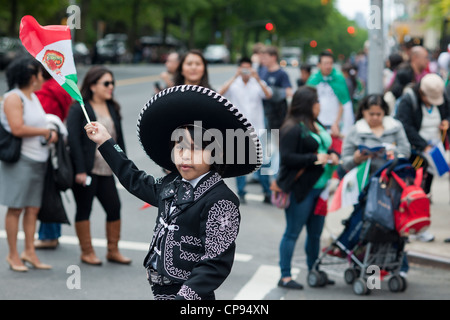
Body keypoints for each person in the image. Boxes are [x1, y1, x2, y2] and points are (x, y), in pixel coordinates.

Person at [83, 85, 262, 300]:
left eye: (195, 149)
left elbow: (214, 264)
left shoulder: (221, 201)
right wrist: (105, 142)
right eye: (179, 147)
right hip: (160, 291)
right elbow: (135, 180)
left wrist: (184, 298)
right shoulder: (173, 183)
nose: (185, 156)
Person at [66, 65, 131, 265]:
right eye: (106, 83)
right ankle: (87, 252)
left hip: (106, 169)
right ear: (93, 86)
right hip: (87, 169)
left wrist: (124, 164)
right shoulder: (79, 108)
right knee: (84, 209)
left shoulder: (113, 107)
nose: (111, 86)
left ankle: (113, 250)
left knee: (114, 208)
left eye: (112, 83)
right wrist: (80, 170)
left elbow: (117, 139)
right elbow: (74, 142)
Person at [277, 86, 340, 289]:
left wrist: (331, 154)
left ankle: (314, 270)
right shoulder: (292, 127)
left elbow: (324, 144)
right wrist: (313, 158)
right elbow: (286, 158)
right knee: (292, 232)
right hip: (300, 189)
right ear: (307, 105)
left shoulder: (315, 123)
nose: (320, 105)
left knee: (315, 233)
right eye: (316, 102)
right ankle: (285, 276)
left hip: (320, 188)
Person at [0, 56, 58, 272]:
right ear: (31, 76)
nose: (42, 76)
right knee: (15, 209)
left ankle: (29, 252)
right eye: (39, 72)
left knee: (33, 209)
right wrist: (45, 131)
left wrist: (51, 133)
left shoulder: (32, 97)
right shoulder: (14, 98)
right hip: (20, 161)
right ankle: (13, 255)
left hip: (38, 160)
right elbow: (17, 128)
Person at [395, 74, 450, 242]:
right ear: (421, 93)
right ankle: (410, 225)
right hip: (416, 152)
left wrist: (446, 122)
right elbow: (404, 125)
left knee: (426, 188)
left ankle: (420, 225)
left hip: (435, 151)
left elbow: (447, 113)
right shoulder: (409, 100)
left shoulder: (442, 99)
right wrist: (422, 145)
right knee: (414, 187)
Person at [219, 57, 273, 204]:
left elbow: (268, 95)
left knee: (263, 163)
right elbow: (220, 93)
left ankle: (267, 192)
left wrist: (258, 78)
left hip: (258, 128)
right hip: (239, 129)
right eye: (243, 68)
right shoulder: (234, 84)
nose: (245, 71)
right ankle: (241, 192)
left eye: (248, 68)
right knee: (239, 162)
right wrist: (234, 77)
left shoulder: (257, 83)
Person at [34, 68, 73, 250]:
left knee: (47, 190)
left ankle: (48, 235)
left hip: (46, 147)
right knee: (52, 189)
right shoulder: (61, 88)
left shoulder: (44, 92)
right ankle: (51, 234)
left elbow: (40, 120)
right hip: (60, 145)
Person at [307, 50, 353, 139]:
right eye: (325, 63)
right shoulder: (313, 79)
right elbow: (308, 102)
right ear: (319, 65)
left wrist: (336, 123)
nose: (328, 66)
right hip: (317, 124)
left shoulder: (339, 79)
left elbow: (343, 102)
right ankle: (272, 151)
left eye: (330, 63)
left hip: (334, 125)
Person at [259, 45, 293, 130]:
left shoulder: (281, 73)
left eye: (265, 58)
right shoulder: (262, 71)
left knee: (274, 139)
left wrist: (273, 92)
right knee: (263, 138)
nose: (263, 60)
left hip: (277, 113)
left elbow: (289, 92)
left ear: (273, 57)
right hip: (263, 110)